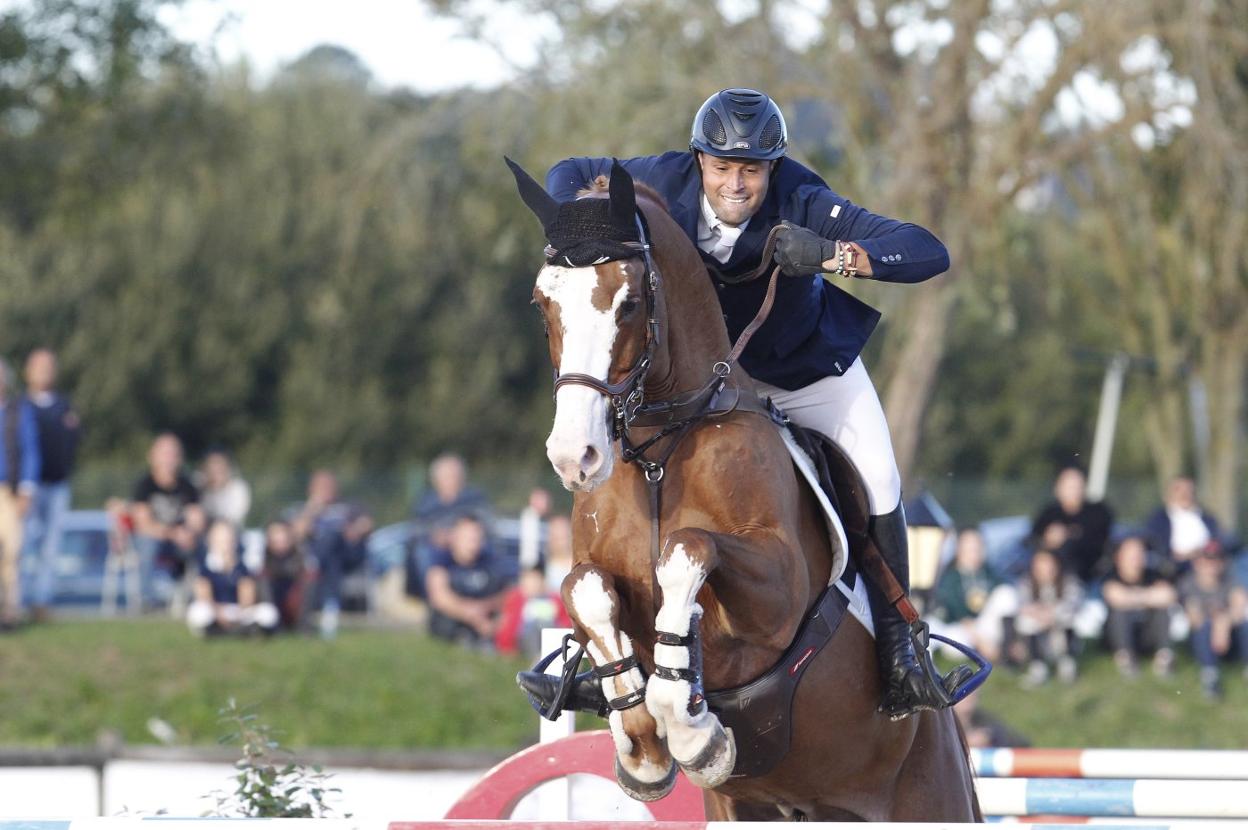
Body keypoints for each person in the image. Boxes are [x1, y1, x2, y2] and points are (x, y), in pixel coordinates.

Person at [544, 88, 958, 719]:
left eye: (751, 170)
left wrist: (829, 254)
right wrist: (583, 218)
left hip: (803, 374)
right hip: (704, 384)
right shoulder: (658, 180)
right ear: (699, 160)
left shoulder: (803, 198)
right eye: (721, 167)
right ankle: (594, 646)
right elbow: (571, 174)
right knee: (614, 446)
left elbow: (927, 250)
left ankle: (902, 644)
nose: (735, 184)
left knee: (879, 478)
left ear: (773, 166)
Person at [21, 348, 81, 622]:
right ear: (27, 371)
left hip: (57, 486)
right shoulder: (20, 406)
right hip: (27, 489)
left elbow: (74, 440)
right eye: (39, 366)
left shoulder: (65, 406)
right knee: (23, 544)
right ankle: (16, 600)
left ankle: (41, 601)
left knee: (51, 547)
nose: (44, 372)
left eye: (49, 366)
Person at [289, 470, 373, 638]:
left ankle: (314, 566)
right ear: (311, 489)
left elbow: (367, 523)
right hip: (327, 560)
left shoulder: (348, 507)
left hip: (348, 555)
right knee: (330, 553)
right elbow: (294, 533)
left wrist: (354, 530)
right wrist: (311, 510)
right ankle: (331, 606)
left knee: (333, 537)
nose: (325, 490)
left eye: (328, 486)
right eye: (321, 487)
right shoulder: (303, 509)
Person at [406, 453, 492, 599]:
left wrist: (458, 537)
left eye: (455, 475)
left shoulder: (473, 499)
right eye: (447, 475)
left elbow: (484, 523)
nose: (451, 479)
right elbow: (416, 529)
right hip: (437, 548)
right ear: (436, 479)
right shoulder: (426, 503)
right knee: (422, 553)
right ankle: (432, 598)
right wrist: (434, 536)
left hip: (467, 546)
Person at [131, 433, 205, 596]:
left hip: (179, 540)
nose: (169, 459)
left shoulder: (188, 485)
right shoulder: (144, 485)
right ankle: (147, 599)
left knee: (199, 546)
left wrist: (189, 533)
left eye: (173, 454)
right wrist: (173, 533)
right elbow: (143, 525)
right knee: (147, 546)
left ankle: (195, 597)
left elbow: (196, 519)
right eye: (165, 453)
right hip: (154, 538)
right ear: (152, 456)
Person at [425, 514, 514, 648]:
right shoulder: (441, 561)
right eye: (467, 538)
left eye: (476, 538)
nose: (472, 543)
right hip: (454, 624)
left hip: (486, 620)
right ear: (454, 537)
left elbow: (509, 593)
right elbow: (439, 597)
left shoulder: (491, 562)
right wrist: (472, 615)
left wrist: (486, 608)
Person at [1101, 535, 1178, 678]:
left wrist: (1132, 597)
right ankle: (1126, 659)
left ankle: (1164, 659)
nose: (1136, 558)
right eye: (1131, 554)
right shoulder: (1111, 576)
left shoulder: (1154, 575)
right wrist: (1149, 596)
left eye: (1139, 553)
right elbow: (1116, 598)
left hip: (1147, 634)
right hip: (1119, 635)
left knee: (1163, 611)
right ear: (1119, 557)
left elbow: (1168, 596)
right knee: (1119, 613)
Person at [0, 359, 40, 627]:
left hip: (8, 491)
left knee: (10, 552)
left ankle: (9, 610)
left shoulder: (18, 412)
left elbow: (30, 451)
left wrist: (26, 490)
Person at [186, 519, 278, 636]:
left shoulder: (242, 565)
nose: (225, 543)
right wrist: (219, 613)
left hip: (237, 611)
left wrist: (239, 615)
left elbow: (247, 597)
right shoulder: (205, 565)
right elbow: (204, 596)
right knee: (199, 611)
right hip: (215, 610)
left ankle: (235, 630)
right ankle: (224, 630)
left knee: (268, 612)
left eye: (228, 538)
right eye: (221, 538)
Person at [931, 527, 1010, 662]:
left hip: (983, 624)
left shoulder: (988, 572)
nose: (974, 551)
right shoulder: (951, 577)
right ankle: (985, 651)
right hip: (960, 627)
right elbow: (957, 614)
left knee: (1007, 594)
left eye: (977, 546)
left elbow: (1003, 593)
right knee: (955, 645)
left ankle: (1008, 645)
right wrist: (980, 641)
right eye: (969, 547)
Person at [1179, 547, 1248, 699]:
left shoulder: (1230, 580)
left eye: (1215, 560)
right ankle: (1210, 675)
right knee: (1204, 627)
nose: (1211, 566)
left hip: (1229, 639)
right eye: (1206, 561)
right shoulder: (1188, 584)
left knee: (1244, 624)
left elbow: (1239, 607)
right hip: (1202, 641)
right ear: (1197, 563)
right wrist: (1218, 622)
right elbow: (1195, 617)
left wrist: (1224, 621)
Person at [1030, 465, 1114, 584]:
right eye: (1069, 486)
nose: (1073, 490)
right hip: (1053, 578)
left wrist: (1068, 535)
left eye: (1077, 486)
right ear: (1058, 488)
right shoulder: (1048, 514)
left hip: (1088, 574)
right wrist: (1048, 540)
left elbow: (1099, 542)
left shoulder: (1098, 512)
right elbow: (1033, 541)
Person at [1013, 549, 1083, 687]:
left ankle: (1067, 662)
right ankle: (1038, 666)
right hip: (1039, 635)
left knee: (1069, 617)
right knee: (1025, 623)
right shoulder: (1026, 583)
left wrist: (1052, 614)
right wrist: (1042, 615)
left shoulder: (1068, 581)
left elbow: (1073, 603)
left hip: (1061, 635)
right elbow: (1022, 606)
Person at [1145, 476, 1221, 577]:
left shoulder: (1208, 519)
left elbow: (1217, 543)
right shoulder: (1158, 520)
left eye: (1189, 490)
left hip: (1206, 568)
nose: (1184, 494)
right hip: (1172, 570)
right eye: (1179, 490)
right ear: (1168, 494)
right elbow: (1155, 546)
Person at [495, 564, 572, 656]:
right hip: (524, 640)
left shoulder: (556, 601)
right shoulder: (515, 600)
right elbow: (508, 626)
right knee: (534, 626)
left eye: (534, 581)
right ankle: (538, 657)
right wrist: (507, 648)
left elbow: (566, 624)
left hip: (551, 638)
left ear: (542, 581)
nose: (530, 585)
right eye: (526, 580)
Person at [261, 519, 307, 631]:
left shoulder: (298, 555)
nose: (279, 538)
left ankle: (303, 625)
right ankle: (274, 625)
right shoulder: (263, 557)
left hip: (293, 604)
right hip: (273, 603)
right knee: (263, 579)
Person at [197, 449, 251, 527]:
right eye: (211, 466)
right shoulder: (200, 485)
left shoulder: (238, 488)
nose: (215, 470)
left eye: (219, 466)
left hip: (229, 532)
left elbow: (232, 519)